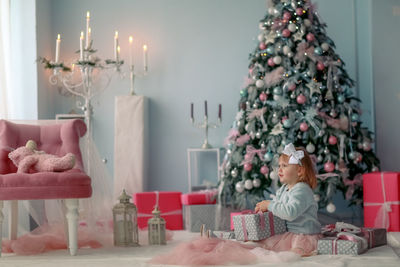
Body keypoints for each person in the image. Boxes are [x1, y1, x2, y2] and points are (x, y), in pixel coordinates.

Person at [254, 143, 322, 256]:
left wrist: (270, 205)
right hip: (289, 233)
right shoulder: (284, 189)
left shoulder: (302, 190)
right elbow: (278, 207)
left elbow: (290, 212)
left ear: (299, 171)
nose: (279, 169)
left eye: (284, 166)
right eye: (279, 166)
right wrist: (266, 208)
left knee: (292, 255)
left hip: (304, 235)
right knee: (264, 247)